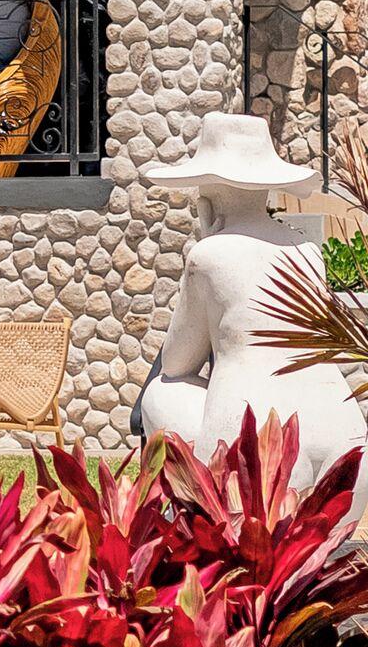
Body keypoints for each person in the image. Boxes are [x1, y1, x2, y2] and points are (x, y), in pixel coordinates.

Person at [135, 112, 367, 491]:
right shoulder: (308, 251)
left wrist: (208, 239)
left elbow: (177, 362)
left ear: (206, 205)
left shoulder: (209, 254)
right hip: (346, 458)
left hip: (256, 456)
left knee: (161, 391)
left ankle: (192, 528)